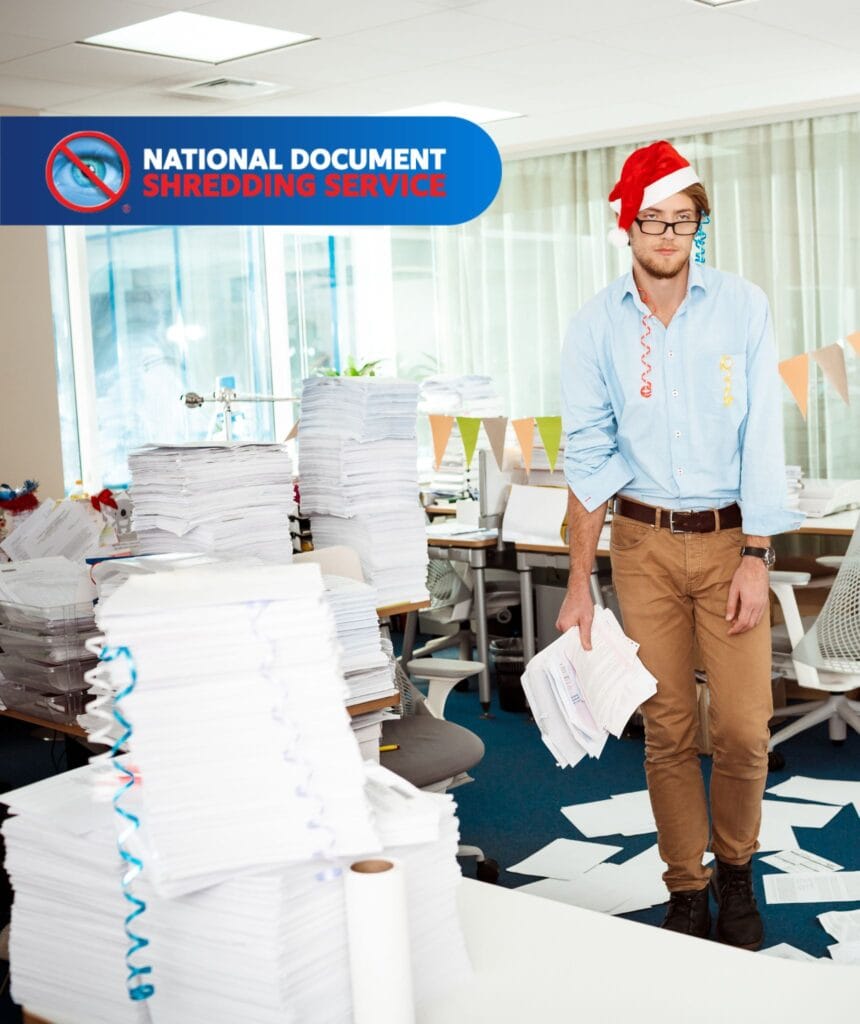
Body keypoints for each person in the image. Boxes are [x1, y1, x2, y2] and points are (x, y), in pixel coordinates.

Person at [557, 140, 803, 949]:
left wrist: (758, 552)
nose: (668, 235)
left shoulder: (743, 307)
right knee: (666, 726)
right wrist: (576, 583)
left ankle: (736, 867)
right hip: (643, 544)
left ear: (700, 225)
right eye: (653, 220)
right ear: (627, 226)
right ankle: (686, 886)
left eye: (683, 221)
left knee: (739, 727)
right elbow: (588, 453)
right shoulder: (595, 325)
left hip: (731, 539)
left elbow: (763, 433)